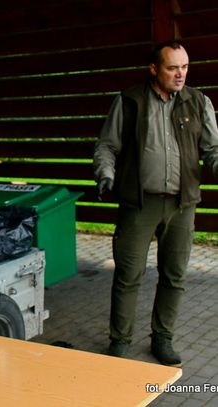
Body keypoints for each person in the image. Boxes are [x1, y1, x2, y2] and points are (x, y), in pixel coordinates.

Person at [93, 40, 218, 367]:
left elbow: (213, 151)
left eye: (185, 67)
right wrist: (105, 173)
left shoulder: (198, 102)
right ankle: (120, 340)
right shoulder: (129, 101)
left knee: (174, 276)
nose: (181, 74)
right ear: (154, 69)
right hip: (138, 203)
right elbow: (107, 146)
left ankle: (163, 338)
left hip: (182, 204)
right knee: (127, 275)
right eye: (173, 67)